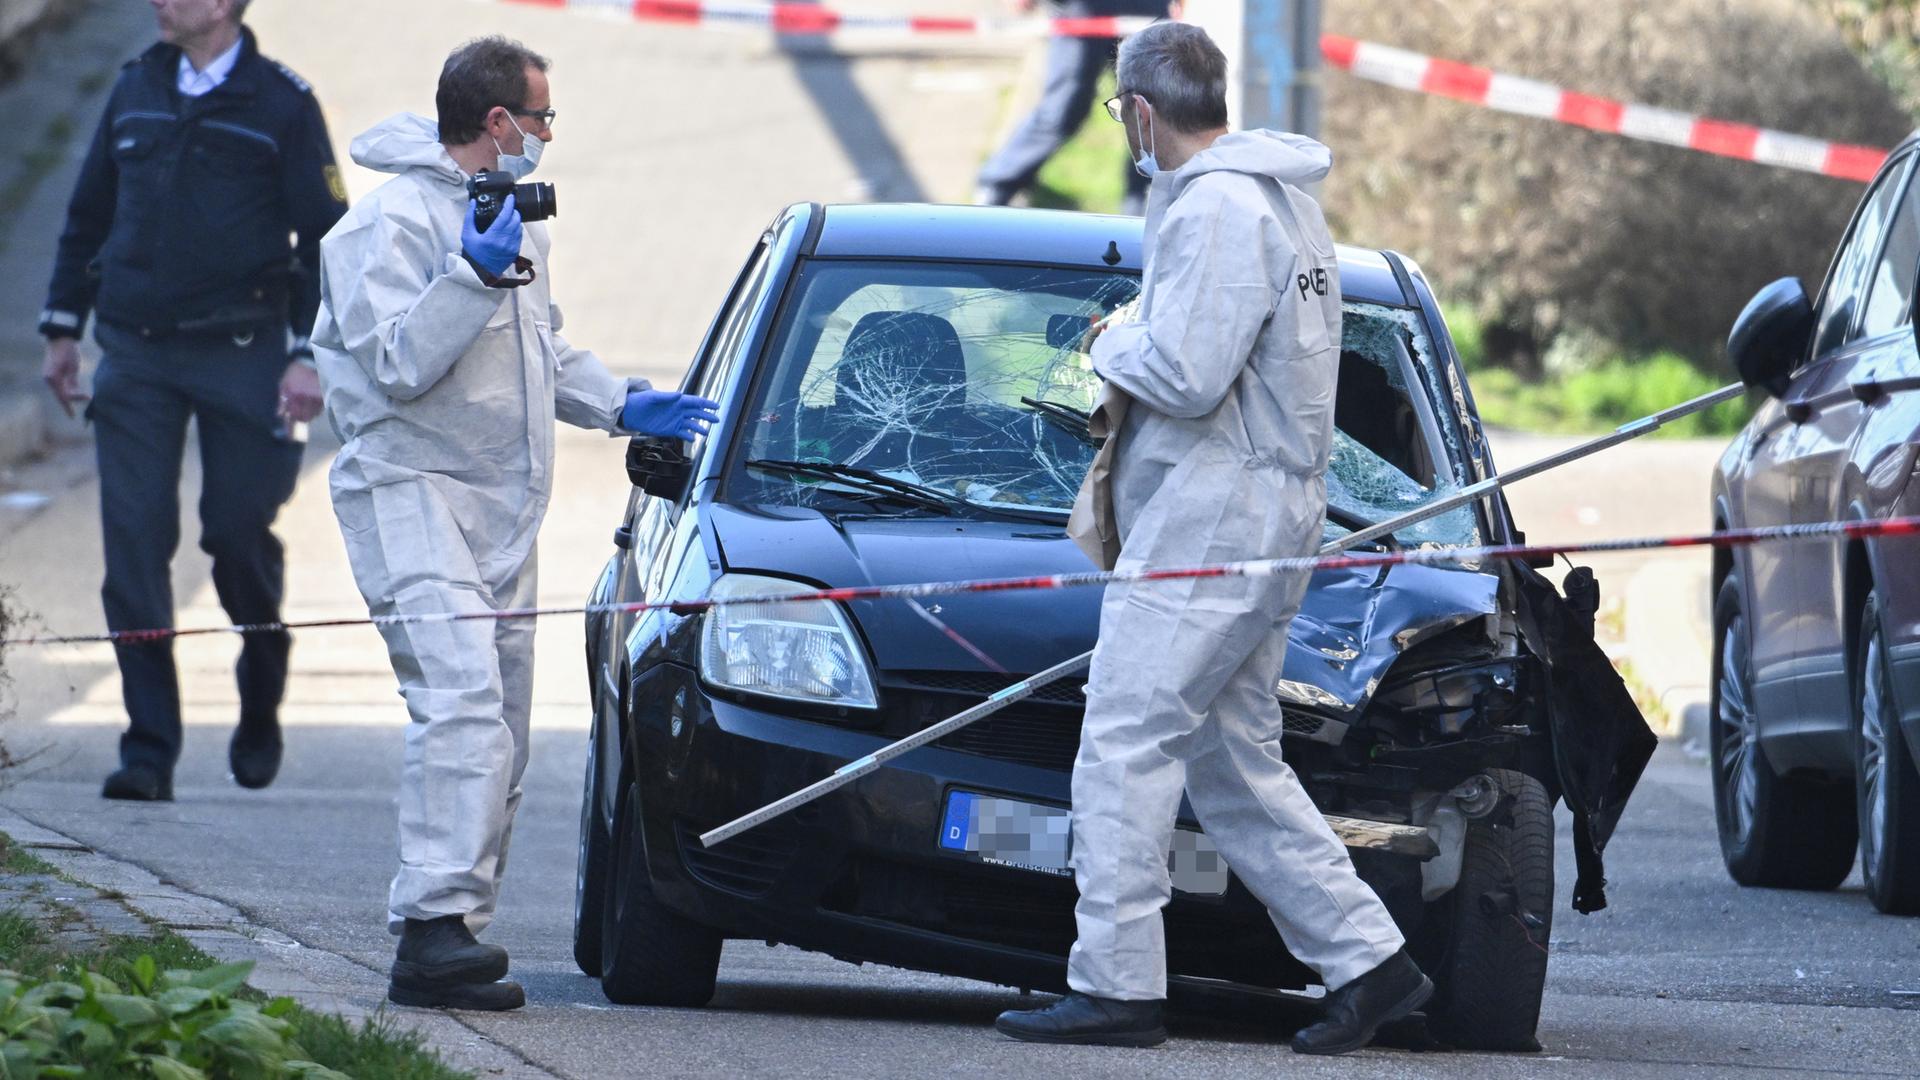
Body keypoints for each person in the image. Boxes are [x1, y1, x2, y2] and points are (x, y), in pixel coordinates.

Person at [997, 22, 1431, 1054]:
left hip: (1214, 517)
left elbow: (1187, 373)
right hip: (1264, 514)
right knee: (1234, 766)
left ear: (1141, 113)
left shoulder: (1221, 210)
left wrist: (1113, 338)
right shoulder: (1282, 200)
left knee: (1122, 744)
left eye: (1119, 117)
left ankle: (1115, 986)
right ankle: (1372, 961)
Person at [309, 36, 720, 1012]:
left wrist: (624, 403)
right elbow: (401, 364)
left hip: (498, 508)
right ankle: (430, 933)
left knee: (500, 728)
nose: (546, 135)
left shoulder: (508, 224)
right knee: (457, 706)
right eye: (541, 117)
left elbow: (543, 351)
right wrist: (468, 278)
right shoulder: (384, 228)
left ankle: (459, 927)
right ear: (497, 122)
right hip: (410, 495)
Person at [37, 0, 348, 802]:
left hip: (243, 353)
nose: (158, 1)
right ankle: (148, 748)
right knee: (134, 545)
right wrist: (62, 327)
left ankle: (264, 657)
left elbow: (326, 242)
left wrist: (309, 355)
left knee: (235, 533)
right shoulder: (136, 86)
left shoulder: (284, 103)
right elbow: (87, 213)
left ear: (221, 5)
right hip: (136, 353)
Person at [974, 0, 1168, 216]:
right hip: (1080, 9)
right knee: (1063, 109)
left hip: (1146, 8)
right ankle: (995, 188)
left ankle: (1145, 209)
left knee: (1153, 114)